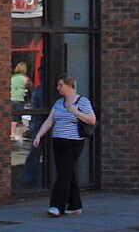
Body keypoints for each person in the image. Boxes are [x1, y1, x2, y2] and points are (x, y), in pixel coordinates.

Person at [31, 75, 95, 216]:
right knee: (66, 172)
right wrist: (39, 134)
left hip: (73, 141)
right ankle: (74, 205)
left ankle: (57, 205)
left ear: (69, 85)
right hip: (58, 140)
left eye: (61, 85)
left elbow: (92, 120)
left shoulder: (82, 101)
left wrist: (75, 111)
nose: (58, 88)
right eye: (58, 85)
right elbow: (50, 120)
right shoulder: (59, 103)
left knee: (63, 173)